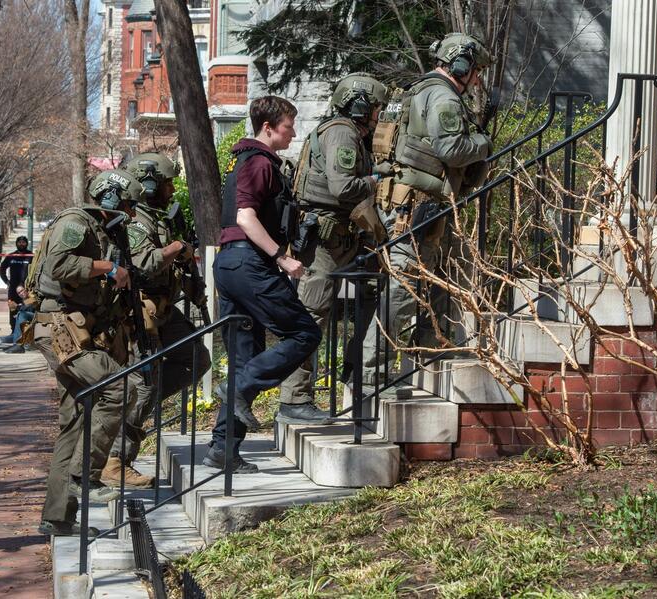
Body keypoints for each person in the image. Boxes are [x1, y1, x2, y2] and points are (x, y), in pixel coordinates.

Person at [360, 33, 493, 388]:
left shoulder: (418, 90)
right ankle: (370, 374)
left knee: (425, 284)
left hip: (411, 203)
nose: (477, 79)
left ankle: (427, 356)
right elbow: (452, 149)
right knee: (404, 288)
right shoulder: (442, 96)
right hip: (414, 206)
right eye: (476, 70)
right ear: (461, 64)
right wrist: (484, 143)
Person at [205, 95, 321, 473]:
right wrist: (281, 257)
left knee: (244, 358)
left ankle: (224, 448)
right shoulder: (257, 161)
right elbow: (246, 216)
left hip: (232, 264)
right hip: (249, 262)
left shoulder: (244, 159)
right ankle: (237, 389)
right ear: (268, 127)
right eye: (289, 126)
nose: (294, 133)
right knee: (304, 333)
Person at [33, 169, 142, 536]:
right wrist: (108, 267)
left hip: (77, 329)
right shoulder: (75, 221)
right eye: (126, 202)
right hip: (59, 328)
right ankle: (84, 476)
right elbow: (57, 265)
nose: (129, 210)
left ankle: (58, 517)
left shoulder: (103, 229)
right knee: (120, 388)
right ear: (110, 196)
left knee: (76, 420)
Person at [278, 73, 388, 421]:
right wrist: (377, 178)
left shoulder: (346, 132)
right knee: (310, 318)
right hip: (324, 242)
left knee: (371, 299)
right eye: (374, 107)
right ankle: (294, 400)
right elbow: (343, 188)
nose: (376, 114)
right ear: (359, 104)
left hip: (342, 238)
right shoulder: (341, 132)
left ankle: (356, 373)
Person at [99, 153, 212, 489]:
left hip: (164, 308)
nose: (171, 187)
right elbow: (145, 264)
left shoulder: (160, 218)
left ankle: (133, 417)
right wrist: (178, 248)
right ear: (148, 183)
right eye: (167, 182)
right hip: (139, 310)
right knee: (144, 383)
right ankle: (116, 459)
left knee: (197, 359)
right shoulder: (134, 221)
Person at [0, 285, 35, 353]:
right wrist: (16, 310)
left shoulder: (32, 297)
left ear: (26, 289)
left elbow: (29, 307)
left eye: (22, 290)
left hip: (36, 320)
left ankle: (17, 345)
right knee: (16, 334)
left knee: (21, 314)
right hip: (29, 326)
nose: (21, 293)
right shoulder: (23, 301)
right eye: (19, 293)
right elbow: (24, 308)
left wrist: (17, 307)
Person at [0, 235, 33, 331]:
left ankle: (26, 331)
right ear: (16, 244)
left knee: (27, 307)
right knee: (13, 309)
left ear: (26, 244)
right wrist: (6, 281)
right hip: (13, 289)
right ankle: (13, 329)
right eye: (19, 242)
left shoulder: (31, 256)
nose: (21, 244)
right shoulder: (11, 256)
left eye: (23, 242)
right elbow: (2, 268)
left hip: (26, 290)